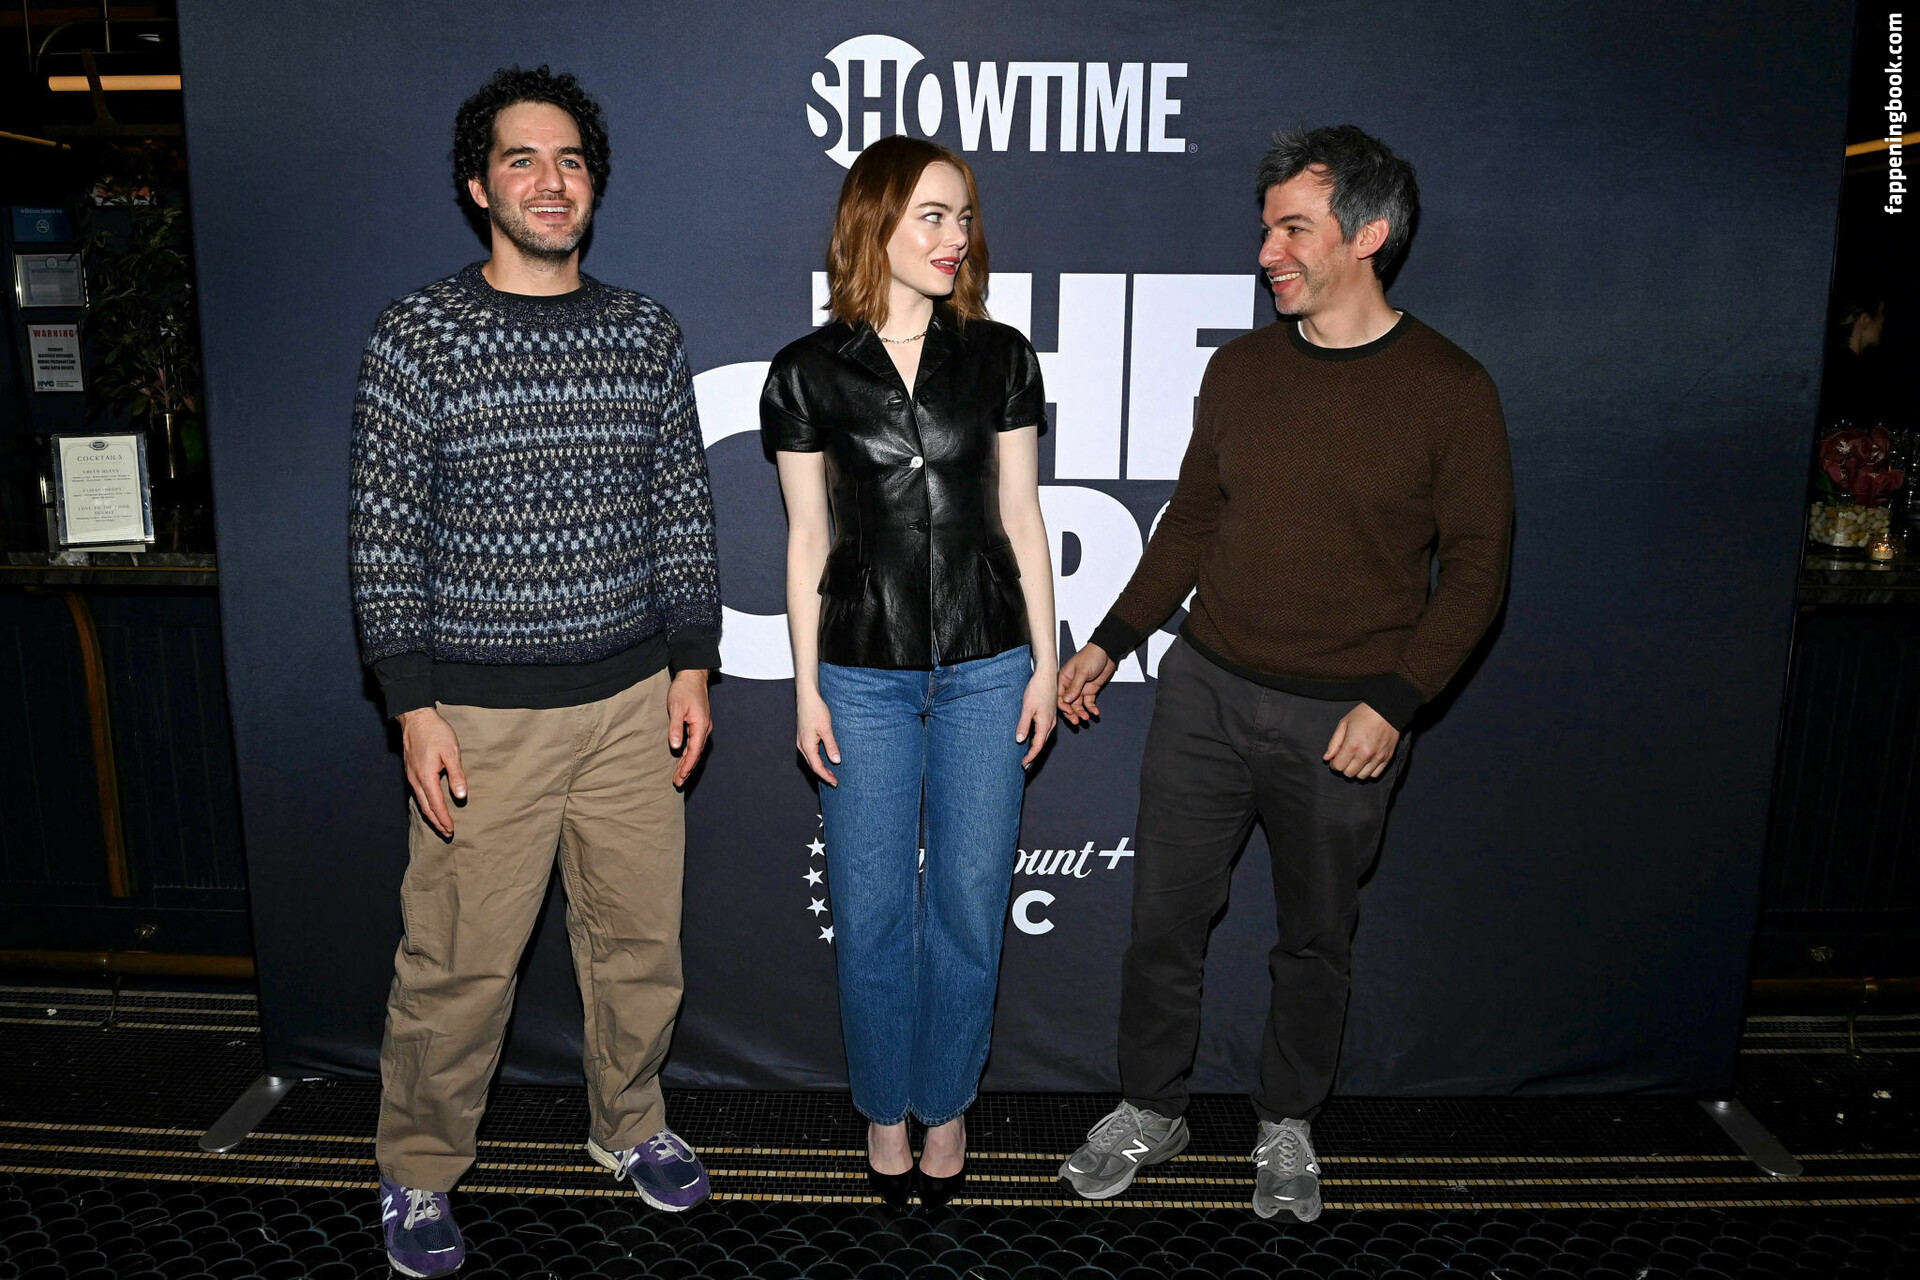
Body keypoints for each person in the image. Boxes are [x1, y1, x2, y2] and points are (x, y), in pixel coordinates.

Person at [1055, 125, 1513, 1220]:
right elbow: (1192, 520)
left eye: (1293, 229)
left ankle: (1289, 1123)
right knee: (1163, 923)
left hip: (1346, 717)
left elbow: (1478, 571)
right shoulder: (1242, 369)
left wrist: (1396, 701)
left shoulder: (1452, 388)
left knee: (1316, 940)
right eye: (1267, 229)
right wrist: (1112, 636)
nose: (1268, 252)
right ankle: (1150, 1107)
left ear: (1368, 234)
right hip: (1205, 694)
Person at [349, 65, 721, 1276]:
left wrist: (692, 666)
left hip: (631, 705)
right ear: (479, 186)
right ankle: (417, 1168)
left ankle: (630, 1122)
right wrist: (411, 702)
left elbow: (681, 509)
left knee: (640, 945)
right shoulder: (419, 336)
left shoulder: (645, 332)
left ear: (592, 183)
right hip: (479, 717)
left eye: (569, 160)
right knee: (458, 964)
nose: (551, 181)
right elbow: (384, 532)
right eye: (522, 159)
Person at [759, 135, 1057, 1211]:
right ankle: (886, 1107)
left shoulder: (1002, 357)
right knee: (872, 910)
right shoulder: (807, 371)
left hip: (989, 667)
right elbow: (807, 537)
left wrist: (1044, 662)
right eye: (931, 215)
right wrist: (806, 688)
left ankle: (949, 1101)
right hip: (862, 677)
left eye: (963, 216)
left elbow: (1022, 514)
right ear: (873, 224)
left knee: (970, 906)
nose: (954, 236)